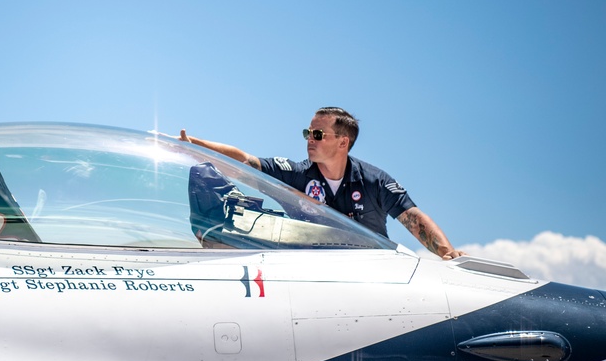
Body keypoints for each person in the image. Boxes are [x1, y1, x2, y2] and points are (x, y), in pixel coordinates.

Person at [179, 107, 465, 260]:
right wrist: (197, 146)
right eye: (307, 132)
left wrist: (445, 252)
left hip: (373, 271)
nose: (309, 139)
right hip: (312, 272)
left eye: (318, 134)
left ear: (343, 142)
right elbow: (245, 162)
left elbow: (412, 217)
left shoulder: (374, 180)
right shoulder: (295, 174)